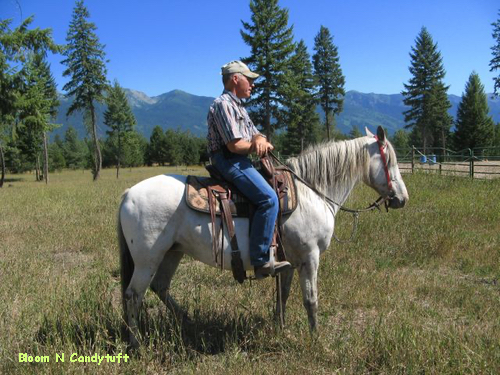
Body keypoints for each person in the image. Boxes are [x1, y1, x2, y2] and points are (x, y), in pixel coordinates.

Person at [207, 60, 291, 279]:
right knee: (268, 198)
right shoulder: (223, 104)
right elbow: (234, 145)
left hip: (239, 158)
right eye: (249, 79)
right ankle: (261, 259)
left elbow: (254, 132)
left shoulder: (239, 106)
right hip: (229, 160)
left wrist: (260, 139)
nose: (252, 84)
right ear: (236, 79)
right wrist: (256, 145)